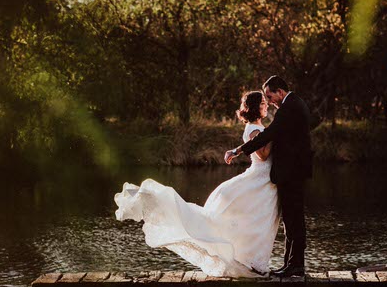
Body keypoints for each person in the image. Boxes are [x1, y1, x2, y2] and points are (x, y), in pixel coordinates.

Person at [114, 91, 280, 277]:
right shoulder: (253, 129)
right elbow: (263, 155)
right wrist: (276, 133)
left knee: (256, 222)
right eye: (263, 103)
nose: (266, 106)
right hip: (258, 179)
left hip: (264, 181)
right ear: (255, 106)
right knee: (254, 220)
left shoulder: (258, 126)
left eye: (266, 102)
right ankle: (250, 260)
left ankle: (252, 260)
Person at [225, 76, 313, 277]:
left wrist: (239, 150)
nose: (270, 100)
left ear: (280, 91)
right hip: (290, 171)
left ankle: (296, 265)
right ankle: (290, 264)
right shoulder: (292, 104)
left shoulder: (291, 106)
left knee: (294, 221)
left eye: (270, 96)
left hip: (292, 172)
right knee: (290, 220)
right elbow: (272, 135)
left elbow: (270, 133)